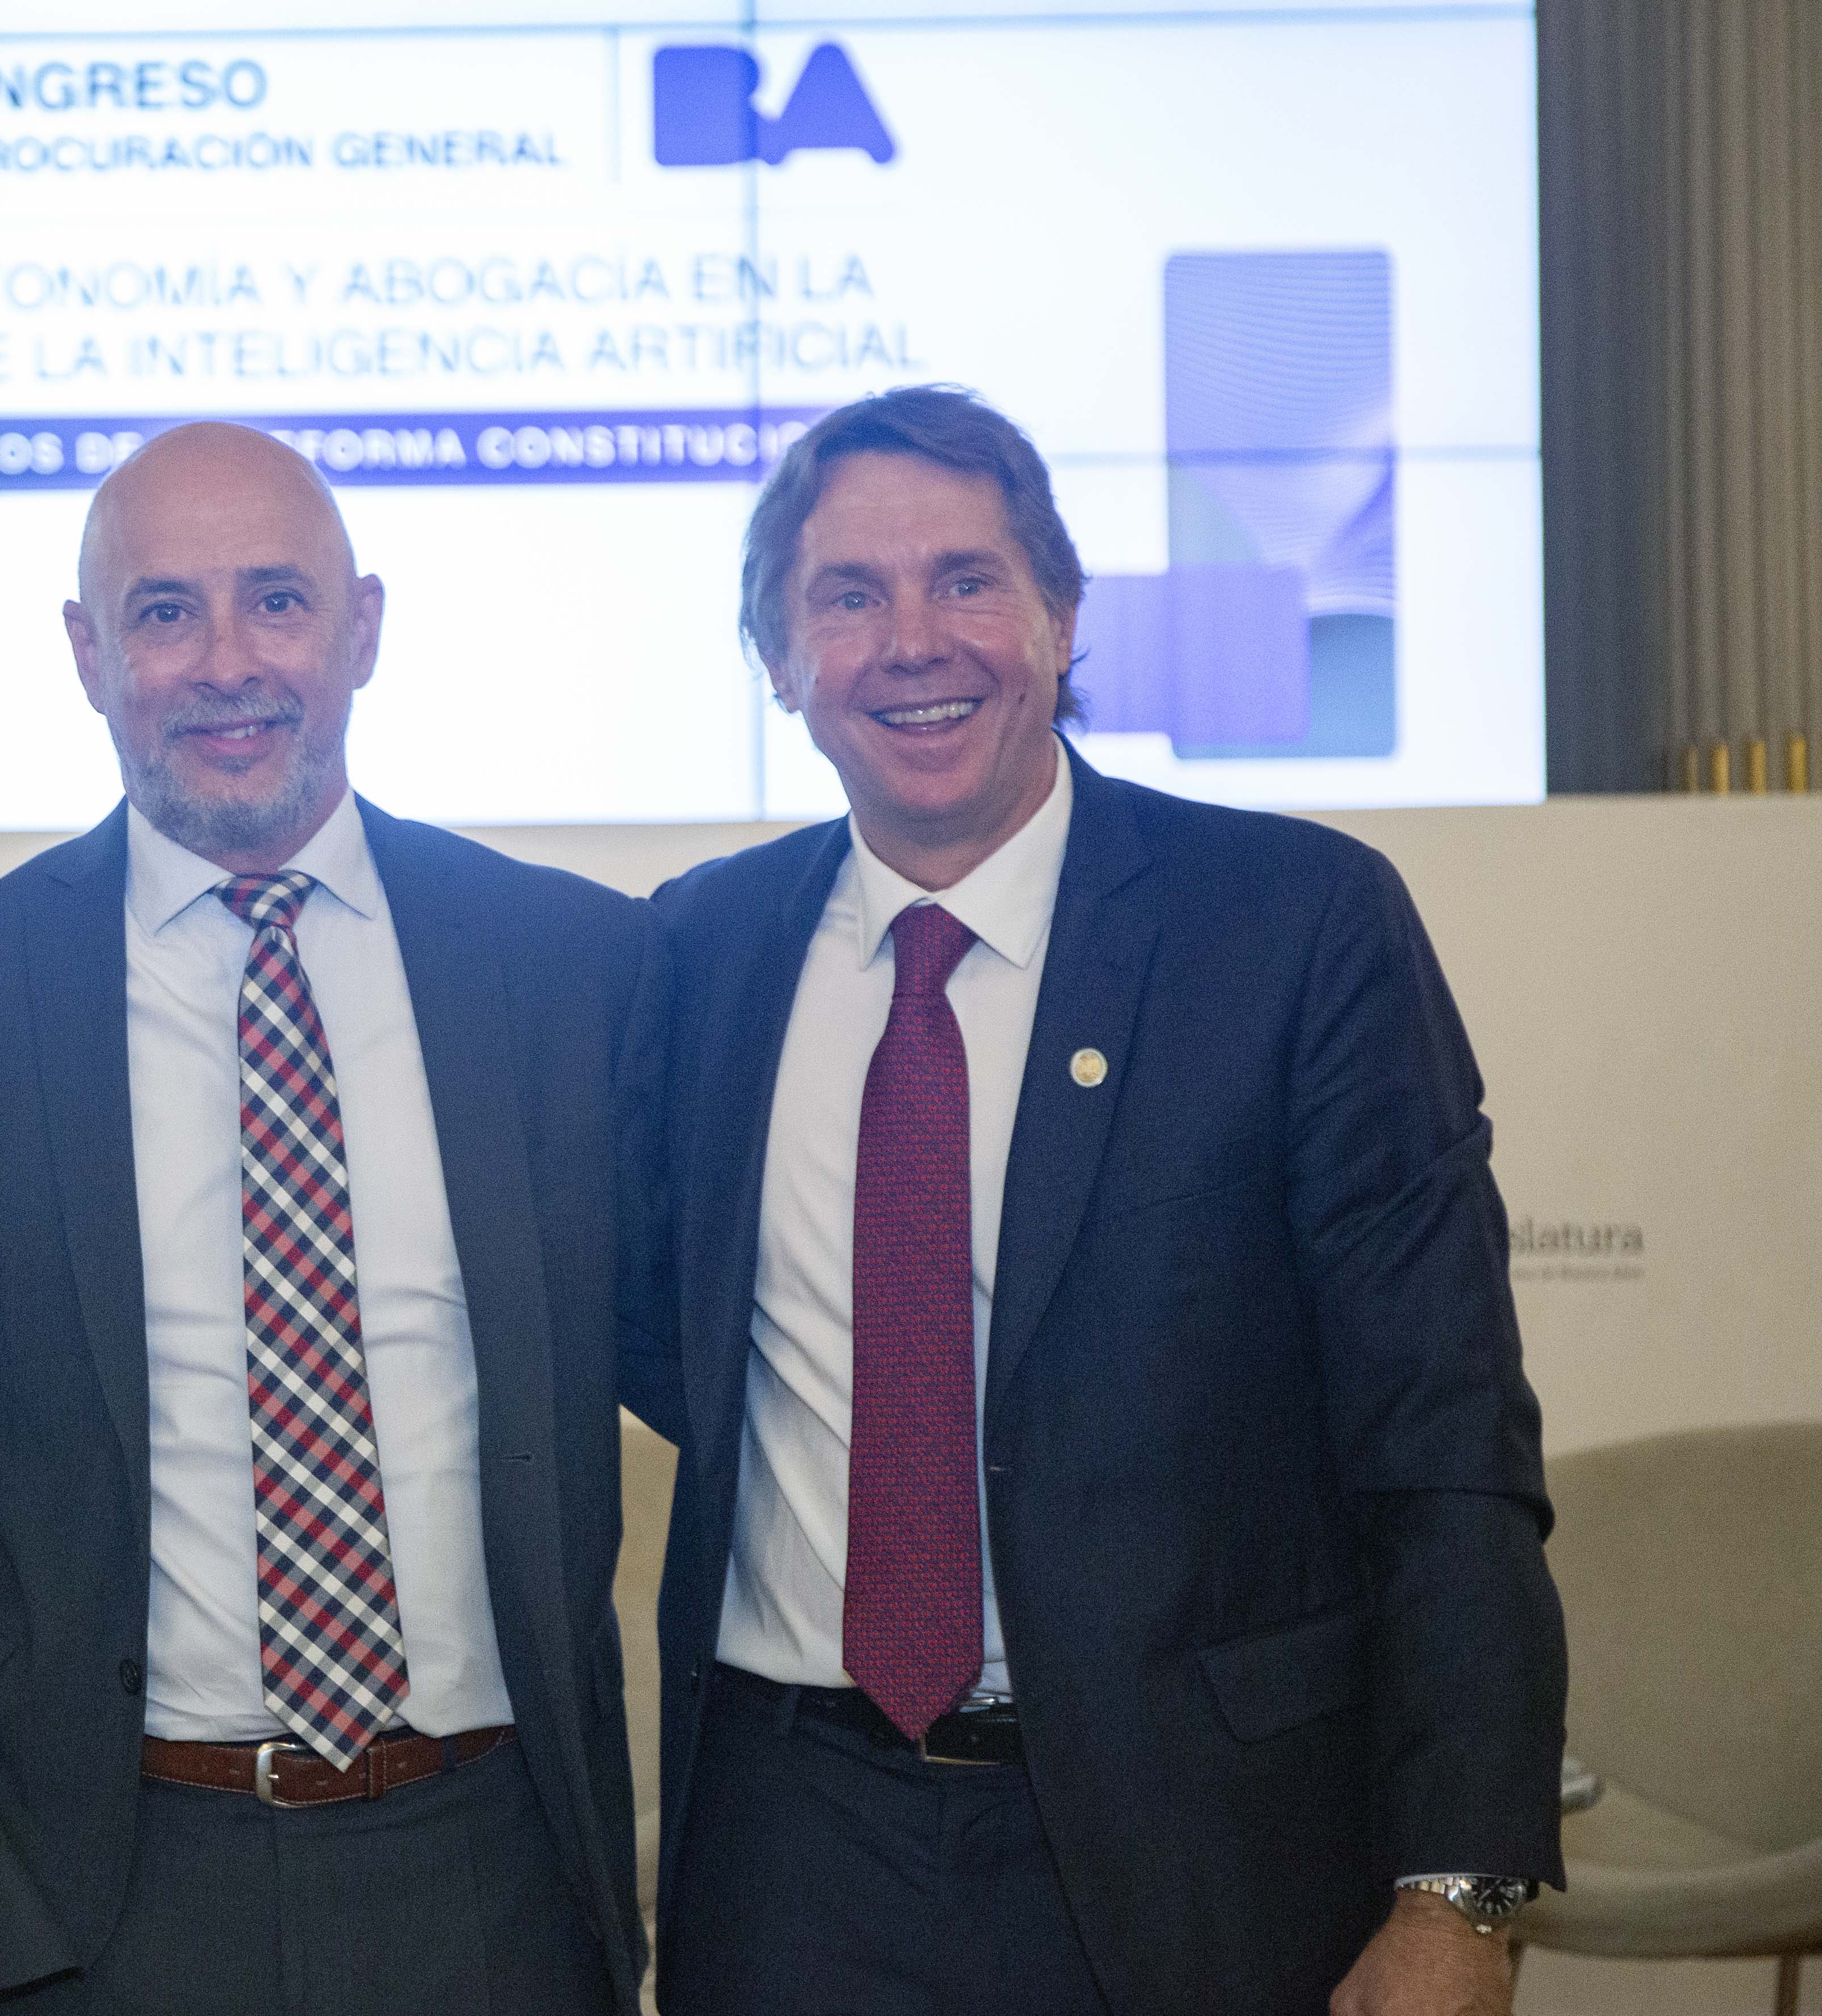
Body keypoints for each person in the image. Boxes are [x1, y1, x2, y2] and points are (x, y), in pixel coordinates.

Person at [635, 385, 1566, 2016]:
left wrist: (1457, 1892)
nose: (911, 639)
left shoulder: (1290, 931)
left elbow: (1444, 1444)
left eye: (966, 581)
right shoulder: (695, 954)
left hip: (1193, 1850)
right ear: (776, 662)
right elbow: (652, 1337)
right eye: (845, 596)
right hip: (789, 1849)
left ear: (1060, 619)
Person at [0, 423, 664, 2016]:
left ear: (364, 628)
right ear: (84, 652)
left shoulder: (566, 971)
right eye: (160, 612)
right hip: (97, 1873)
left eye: (276, 601)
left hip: (489, 1867)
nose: (223, 664)